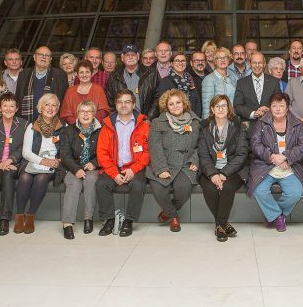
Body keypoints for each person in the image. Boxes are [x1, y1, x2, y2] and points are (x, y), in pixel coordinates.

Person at [248, 93, 303, 232]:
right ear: (270, 107)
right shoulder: (262, 123)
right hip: (266, 166)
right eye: (274, 105)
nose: (278, 109)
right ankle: (278, 216)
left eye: (281, 105)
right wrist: (272, 157)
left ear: (287, 108)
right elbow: (255, 144)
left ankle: (272, 214)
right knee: (259, 190)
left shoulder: (297, 124)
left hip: (289, 167)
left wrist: (285, 157)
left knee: (295, 192)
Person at [96, 89, 150, 237]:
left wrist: (134, 169)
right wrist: (113, 173)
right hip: (114, 166)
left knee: (138, 185)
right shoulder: (107, 126)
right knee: (101, 184)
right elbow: (102, 153)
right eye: (120, 102)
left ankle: (129, 221)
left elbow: (147, 152)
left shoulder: (144, 125)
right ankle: (109, 220)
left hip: (135, 166)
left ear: (133, 105)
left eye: (127, 102)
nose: (123, 105)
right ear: (115, 105)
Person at [146, 90, 200, 232]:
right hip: (163, 163)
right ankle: (174, 217)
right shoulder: (158, 123)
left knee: (183, 190)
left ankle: (167, 212)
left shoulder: (195, 122)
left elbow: (201, 145)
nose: (175, 106)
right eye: (171, 104)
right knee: (159, 190)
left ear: (184, 104)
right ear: (166, 106)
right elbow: (154, 146)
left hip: (186, 164)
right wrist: (161, 169)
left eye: (178, 102)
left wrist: (195, 160)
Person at [197, 95, 249, 241]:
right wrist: (213, 174)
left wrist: (224, 173)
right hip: (210, 168)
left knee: (227, 187)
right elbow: (203, 154)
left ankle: (219, 225)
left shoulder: (238, 127)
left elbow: (241, 155)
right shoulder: (204, 127)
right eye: (217, 106)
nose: (221, 109)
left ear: (228, 108)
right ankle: (224, 224)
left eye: (224, 106)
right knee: (209, 188)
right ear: (212, 109)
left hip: (233, 169)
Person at [15, 93, 64, 234]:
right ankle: (19, 216)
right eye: (47, 104)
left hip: (53, 163)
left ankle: (30, 216)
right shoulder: (32, 126)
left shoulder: (63, 126)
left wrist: (57, 160)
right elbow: (26, 152)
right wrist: (43, 161)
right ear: (40, 108)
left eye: (54, 105)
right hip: (33, 160)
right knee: (25, 177)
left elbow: (65, 151)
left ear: (57, 108)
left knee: (41, 178)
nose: (50, 108)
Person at [0, 92, 27, 236]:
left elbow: (24, 147)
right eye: (5, 105)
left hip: (13, 164)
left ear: (17, 108)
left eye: (12, 106)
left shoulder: (24, 124)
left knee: (8, 177)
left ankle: (4, 219)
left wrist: (10, 160)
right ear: (0, 107)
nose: (8, 109)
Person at [60, 100, 102, 239]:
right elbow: (64, 155)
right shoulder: (67, 131)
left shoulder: (102, 131)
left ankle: (88, 218)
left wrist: (94, 163)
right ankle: (67, 224)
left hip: (92, 168)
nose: (85, 114)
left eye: (89, 111)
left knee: (90, 180)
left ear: (94, 114)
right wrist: (76, 169)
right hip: (71, 167)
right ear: (77, 114)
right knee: (74, 184)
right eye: (82, 111)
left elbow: (105, 152)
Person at [15, 46, 69, 122]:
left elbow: (65, 101)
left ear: (50, 59)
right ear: (34, 57)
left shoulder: (60, 75)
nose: (44, 57)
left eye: (47, 55)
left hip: (53, 124)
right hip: (26, 123)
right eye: (40, 54)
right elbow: (18, 98)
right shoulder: (23, 74)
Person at [105, 44, 159, 119]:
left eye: (133, 55)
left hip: (145, 121)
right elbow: (110, 102)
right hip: (122, 121)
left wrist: (149, 118)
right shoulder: (114, 76)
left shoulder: (151, 74)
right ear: (122, 58)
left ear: (138, 56)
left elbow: (158, 98)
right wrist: (117, 118)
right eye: (127, 55)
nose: (130, 57)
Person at [234, 51, 281, 124]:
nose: (257, 65)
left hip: (270, 125)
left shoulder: (274, 82)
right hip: (249, 127)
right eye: (254, 63)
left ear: (264, 64)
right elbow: (237, 106)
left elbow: (279, 103)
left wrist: (268, 110)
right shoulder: (241, 83)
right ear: (250, 64)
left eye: (260, 63)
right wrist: (254, 113)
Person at [60, 60, 110, 125]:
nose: (84, 75)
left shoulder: (99, 89)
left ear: (91, 74)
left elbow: (103, 111)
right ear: (77, 74)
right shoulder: (70, 91)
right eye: (81, 72)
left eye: (87, 72)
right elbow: (66, 113)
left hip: (95, 129)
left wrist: (90, 124)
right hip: (74, 129)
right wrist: (78, 124)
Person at [157, 51, 203, 117]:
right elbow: (164, 105)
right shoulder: (165, 81)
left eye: (183, 61)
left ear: (186, 63)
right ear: (171, 63)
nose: (180, 63)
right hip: (173, 122)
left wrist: (195, 118)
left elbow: (198, 102)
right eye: (177, 61)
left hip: (192, 119)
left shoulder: (192, 80)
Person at [201, 47, 238, 119]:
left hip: (232, 118)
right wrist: (208, 124)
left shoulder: (233, 77)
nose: (223, 60)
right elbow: (207, 106)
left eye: (225, 57)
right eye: (219, 58)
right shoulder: (209, 79)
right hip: (216, 120)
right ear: (215, 61)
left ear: (229, 59)